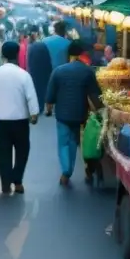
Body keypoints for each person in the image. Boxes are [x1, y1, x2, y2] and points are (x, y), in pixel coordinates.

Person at [0, 40, 39, 196]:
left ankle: (5, 184)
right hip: (20, 121)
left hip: (0, 122)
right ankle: (18, 180)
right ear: (17, 54)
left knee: (3, 152)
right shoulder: (24, 75)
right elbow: (31, 97)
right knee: (23, 151)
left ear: (3, 55)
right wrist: (34, 114)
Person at [45, 40, 102, 187]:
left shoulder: (58, 71)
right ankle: (87, 170)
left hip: (63, 115)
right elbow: (95, 95)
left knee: (64, 143)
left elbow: (50, 96)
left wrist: (48, 110)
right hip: (81, 115)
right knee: (79, 142)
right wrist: (101, 113)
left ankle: (66, 171)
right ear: (83, 54)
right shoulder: (88, 71)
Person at [27, 24, 52, 107]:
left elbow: (29, 62)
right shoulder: (42, 45)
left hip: (34, 72)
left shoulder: (30, 47)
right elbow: (48, 60)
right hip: (44, 71)